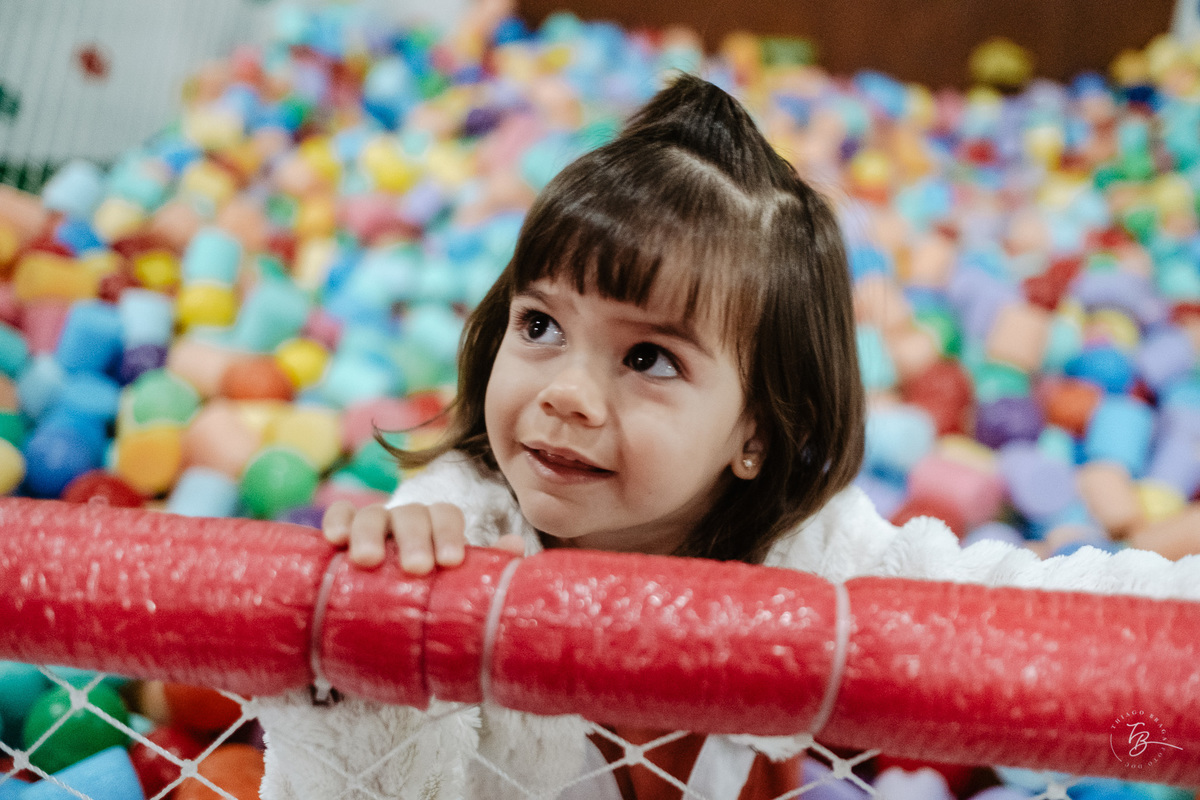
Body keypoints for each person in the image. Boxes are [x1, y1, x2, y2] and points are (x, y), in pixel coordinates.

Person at [253, 74, 1199, 800]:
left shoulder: (811, 556)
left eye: (650, 359)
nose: (568, 394)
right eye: (539, 326)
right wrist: (371, 636)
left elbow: (1021, 616)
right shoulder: (459, 535)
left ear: (756, 431)